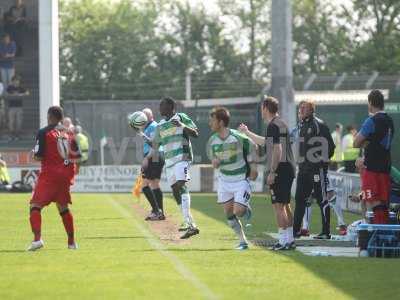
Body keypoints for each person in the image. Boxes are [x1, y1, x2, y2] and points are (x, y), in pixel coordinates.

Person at [239, 96, 296, 250]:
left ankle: (283, 241)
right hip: (289, 167)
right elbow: (266, 142)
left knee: (278, 206)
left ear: (265, 108)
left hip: (280, 170)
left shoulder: (273, 125)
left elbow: (278, 149)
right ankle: (289, 240)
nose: (261, 111)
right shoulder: (281, 123)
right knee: (286, 205)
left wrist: (272, 171)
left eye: (262, 108)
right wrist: (247, 133)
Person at [144, 97, 199, 239]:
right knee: (175, 190)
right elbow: (156, 145)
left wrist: (181, 125)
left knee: (181, 186)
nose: (159, 108)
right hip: (170, 162)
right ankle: (188, 223)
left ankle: (191, 225)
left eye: (162, 106)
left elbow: (195, 133)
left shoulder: (181, 117)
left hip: (182, 157)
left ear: (171, 107)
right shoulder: (161, 125)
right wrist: (145, 138)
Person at [27, 106, 81, 251]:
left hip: (50, 175)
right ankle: (71, 243)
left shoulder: (44, 132)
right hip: (65, 175)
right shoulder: (69, 132)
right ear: (62, 118)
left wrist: (33, 154)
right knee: (63, 207)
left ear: (50, 116)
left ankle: (37, 240)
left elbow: (39, 156)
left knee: (35, 206)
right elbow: (77, 157)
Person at [209, 107, 258, 250]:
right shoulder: (212, 140)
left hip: (240, 180)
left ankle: (245, 207)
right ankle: (243, 242)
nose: (210, 123)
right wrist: (215, 161)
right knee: (229, 214)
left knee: (239, 211)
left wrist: (254, 167)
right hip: (224, 180)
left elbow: (254, 146)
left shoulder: (237, 136)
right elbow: (214, 158)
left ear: (221, 122)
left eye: (212, 120)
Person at [292, 100, 335, 240]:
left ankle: (325, 232)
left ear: (312, 110)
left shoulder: (319, 124)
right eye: (300, 108)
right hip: (303, 169)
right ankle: (296, 230)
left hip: (317, 170)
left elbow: (331, 147)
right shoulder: (301, 125)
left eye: (304, 108)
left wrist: (321, 161)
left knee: (322, 199)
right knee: (299, 199)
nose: (301, 110)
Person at [354, 89, 394, 224]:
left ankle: (376, 233)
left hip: (372, 168)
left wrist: (365, 143)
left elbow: (356, 142)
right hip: (385, 167)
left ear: (370, 103)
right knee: (382, 202)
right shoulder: (389, 121)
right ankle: (385, 235)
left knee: (373, 202)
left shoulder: (371, 121)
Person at [140, 108, 165, 221]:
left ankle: (157, 211)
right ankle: (158, 211)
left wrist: (147, 158)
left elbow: (155, 145)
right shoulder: (147, 127)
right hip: (153, 156)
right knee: (152, 184)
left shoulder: (153, 126)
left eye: (144, 116)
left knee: (147, 185)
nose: (142, 119)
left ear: (150, 117)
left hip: (154, 156)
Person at [7, 75, 28, 140]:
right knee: (11, 122)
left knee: (19, 122)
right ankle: (11, 135)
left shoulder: (21, 88)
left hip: (19, 107)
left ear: (19, 81)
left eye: (17, 81)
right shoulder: (10, 87)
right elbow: (5, 93)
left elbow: (27, 93)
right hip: (11, 107)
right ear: (12, 81)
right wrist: (12, 95)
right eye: (14, 81)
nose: (16, 82)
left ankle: (17, 135)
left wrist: (20, 94)